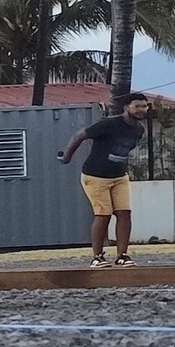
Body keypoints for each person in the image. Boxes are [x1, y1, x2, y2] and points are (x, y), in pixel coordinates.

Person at [57, 91, 157, 268]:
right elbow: (80, 135)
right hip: (95, 176)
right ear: (126, 107)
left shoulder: (138, 129)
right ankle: (97, 257)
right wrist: (66, 157)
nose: (142, 109)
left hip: (119, 177)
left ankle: (122, 255)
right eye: (137, 106)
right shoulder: (109, 124)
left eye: (144, 106)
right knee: (103, 214)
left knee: (124, 213)